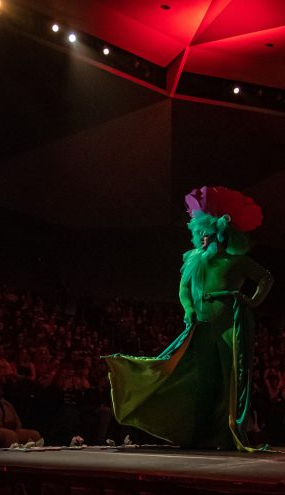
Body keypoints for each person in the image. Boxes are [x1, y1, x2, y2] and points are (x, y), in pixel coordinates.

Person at [104, 186, 273, 451]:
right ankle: (202, 433)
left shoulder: (236, 261)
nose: (201, 238)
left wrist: (253, 300)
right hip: (202, 326)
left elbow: (266, 277)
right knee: (203, 380)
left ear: (218, 232)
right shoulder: (194, 259)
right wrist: (189, 310)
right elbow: (184, 289)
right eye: (198, 233)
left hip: (231, 323)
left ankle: (230, 432)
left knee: (233, 377)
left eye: (205, 233)